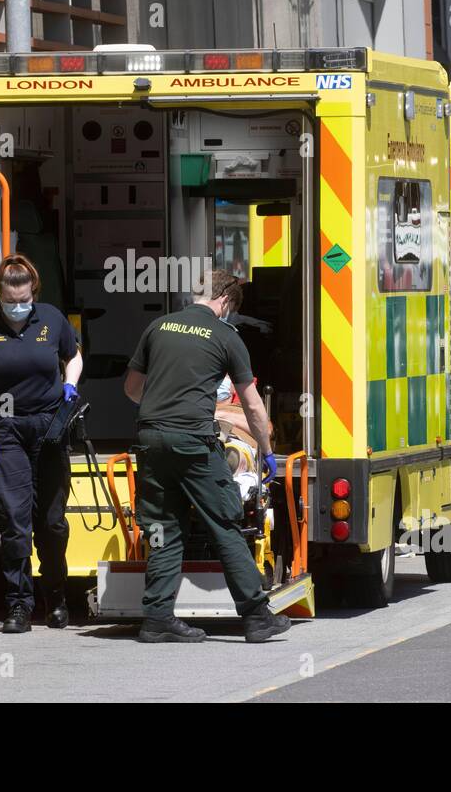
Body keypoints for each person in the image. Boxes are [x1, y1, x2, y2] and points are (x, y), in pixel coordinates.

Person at [123, 269, 290, 644]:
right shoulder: (225, 336)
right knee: (224, 522)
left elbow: (133, 389)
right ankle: (256, 615)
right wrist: (266, 450)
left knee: (163, 526)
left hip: (151, 437)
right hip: (194, 442)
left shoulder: (159, 326)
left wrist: (163, 411)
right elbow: (251, 404)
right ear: (227, 301)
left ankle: (158, 618)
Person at [0, 254, 83, 634]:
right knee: (15, 521)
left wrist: (70, 382)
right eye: (10, 299)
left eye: (24, 299)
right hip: (6, 428)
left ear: (33, 292)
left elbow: (74, 355)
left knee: (50, 522)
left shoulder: (50, 318)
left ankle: (56, 598)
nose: (17, 306)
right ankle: (19, 604)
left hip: (49, 427)